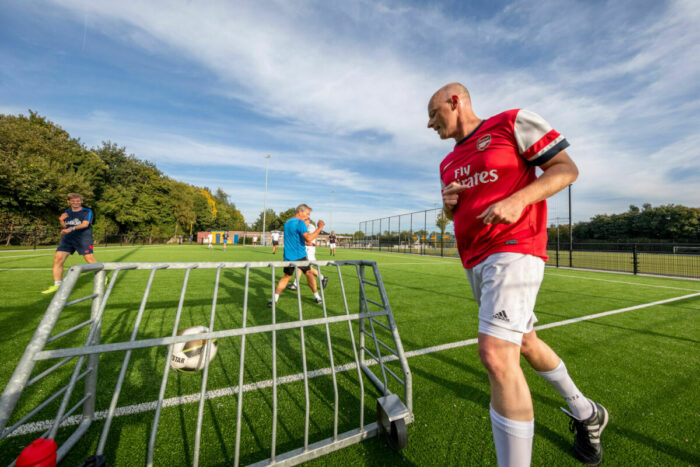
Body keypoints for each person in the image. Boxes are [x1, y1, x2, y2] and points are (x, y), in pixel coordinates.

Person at [428, 82, 608, 466]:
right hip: (475, 261)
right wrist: (447, 206)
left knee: (494, 355)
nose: (429, 124)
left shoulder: (510, 123)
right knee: (525, 342)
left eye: (433, 114)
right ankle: (586, 412)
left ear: (454, 102)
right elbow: (453, 213)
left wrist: (519, 198)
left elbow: (566, 169)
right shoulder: (447, 163)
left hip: (514, 248)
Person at [268, 204, 325, 306]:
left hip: (288, 256)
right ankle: (317, 297)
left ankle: (274, 299)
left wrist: (308, 244)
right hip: (300, 256)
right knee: (309, 274)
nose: (308, 216)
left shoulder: (287, 223)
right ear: (300, 212)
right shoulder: (300, 223)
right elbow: (309, 237)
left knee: (286, 277)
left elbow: (295, 239)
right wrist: (320, 228)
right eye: (307, 214)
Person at [41, 193, 98, 294]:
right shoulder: (66, 212)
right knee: (58, 259)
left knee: (90, 259)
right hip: (68, 239)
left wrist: (71, 228)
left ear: (81, 201)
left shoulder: (87, 211)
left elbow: (85, 224)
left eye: (78, 201)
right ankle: (57, 285)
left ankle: (102, 277)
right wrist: (61, 220)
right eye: (73, 201)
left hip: (83, 238)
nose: (75, 202)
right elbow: (66, 226)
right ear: (69, 202)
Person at [289, 219, 329, 290]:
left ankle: (295, 284)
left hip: (309, 250)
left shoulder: (310, 227)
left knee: (301, 266)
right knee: (307, 268)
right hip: (303, 250)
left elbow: (308, 239)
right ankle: (322, 278)